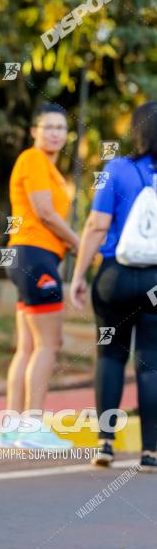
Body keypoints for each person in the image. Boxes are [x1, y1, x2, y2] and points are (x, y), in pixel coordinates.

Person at [70, 102, 157, 471]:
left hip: (113, 278)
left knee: (109, 356)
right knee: (152, 364)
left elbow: (95, 226)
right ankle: (151, 452)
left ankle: (105, 444)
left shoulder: (116, 168)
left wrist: (77, 275)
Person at [0, 103, 80, 451]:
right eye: (48, 126)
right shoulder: (32, 159)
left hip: (27, 255)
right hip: (35, 255)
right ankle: (32, 426)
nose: (55, 133)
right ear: (34, 130)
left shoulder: (47, 165)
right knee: (50, 344)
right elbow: (44, 212)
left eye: (61, 127)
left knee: (29, 346)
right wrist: (79, 245)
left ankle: (12, 428)